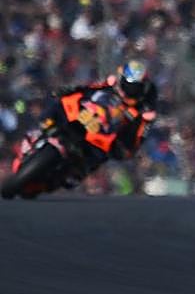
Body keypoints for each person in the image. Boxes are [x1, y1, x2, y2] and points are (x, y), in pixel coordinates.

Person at [3, 61, 158, 198]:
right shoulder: (110, 84)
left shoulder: (144, 109)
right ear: (122, 79)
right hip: (82, 115)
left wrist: (125, 148)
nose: (130, 90)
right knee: (59, 102)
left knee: (87, 166)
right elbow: (89, 88)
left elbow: (137, 139)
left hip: (100, 136)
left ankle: (63, 176)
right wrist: (71, 89)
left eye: (135, 87)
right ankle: (40, 131)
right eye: (129, 85)